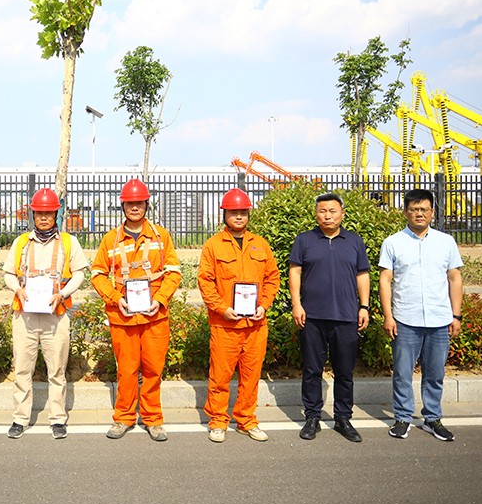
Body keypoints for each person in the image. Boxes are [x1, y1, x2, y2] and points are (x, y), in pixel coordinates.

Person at [91, 179, 181, 442]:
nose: (134, 207)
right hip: (123, 316)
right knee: (127, 371)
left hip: (154, 315)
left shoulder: (161, 236)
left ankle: (153, 419)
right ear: (123, 206)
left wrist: (160, 299)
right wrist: (115, 298)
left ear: (146, 205)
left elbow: (174, 272)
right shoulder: (111, 239)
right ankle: (124, 417)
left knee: (153, 369)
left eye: (139, 203)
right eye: (130, 203)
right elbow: (98, 274)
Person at [2, 188, 89, 439]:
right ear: (33, 214)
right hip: (25, 315)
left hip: (56, 314)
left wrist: (63, 293)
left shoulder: (69, 242)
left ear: (56, 214)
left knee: (57, 371)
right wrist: (17, 289)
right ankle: (20, 418)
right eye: (39, 213)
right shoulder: (21, 242)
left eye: (48, 213)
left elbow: (80, 274)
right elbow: (8, 273)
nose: (43, 217)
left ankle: (58, 419)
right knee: (22, 369)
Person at [379, 189, 463, 441]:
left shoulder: (445, 242)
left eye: (424, 209)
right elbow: (385, 280)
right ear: (406, 212)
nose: (419, 213)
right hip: (405, 318)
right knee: (403, 373)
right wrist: (388, 316)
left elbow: (455, 278)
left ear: (432, 212)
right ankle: (403, 418)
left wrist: (456, 315)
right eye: (414, 209)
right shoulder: (393, 242)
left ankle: (432, 418)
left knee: (435, 374)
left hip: (440, 319)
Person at [197, 188, 280, 443]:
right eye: (234, 212)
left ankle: (246, 420)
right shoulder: (213, 245)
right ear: (225, 214)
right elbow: (205, 282)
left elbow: (272, 278)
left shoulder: (260, 244)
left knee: (251, 375)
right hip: (225, 325)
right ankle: (218, 421)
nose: (239, 216)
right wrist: (222, 308)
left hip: (255, 324)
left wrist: (264, 305)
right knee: (220, 376)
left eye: (243, 212)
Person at [289, 193, 370, 443]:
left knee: (344, 371)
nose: (327, 215)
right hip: (312, 317)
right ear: (316, 214)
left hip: (346, 316)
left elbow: (362, 274)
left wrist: (364, 306)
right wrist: (296, 304)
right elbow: (295, 271)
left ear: (342, 214)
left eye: (332, 211)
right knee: (312, 370)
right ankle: (312, 417)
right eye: (322, 211)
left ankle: (343, 418)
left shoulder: (354, 241)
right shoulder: (304, 240)